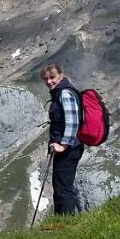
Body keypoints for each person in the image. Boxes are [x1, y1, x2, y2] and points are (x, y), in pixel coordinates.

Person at [40, 63, 84, 214]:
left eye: (52, 77)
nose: (49, 81)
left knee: (63, 188)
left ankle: (65, 225)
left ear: (61, 75)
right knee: (61, 185)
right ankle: (63, 223)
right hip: (69, 147)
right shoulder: (61, 92)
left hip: (69, 149)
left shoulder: (65, 93)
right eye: (46, 79)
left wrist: (63, 145)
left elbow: (73, 121)